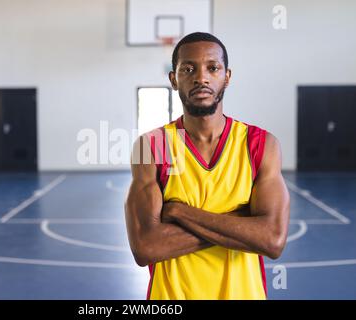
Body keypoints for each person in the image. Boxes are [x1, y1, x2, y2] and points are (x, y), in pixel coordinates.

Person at [124, 32, 290, 300]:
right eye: (188, 69)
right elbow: (146, 248)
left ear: (227, 76)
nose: (201, 77)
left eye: (212, 68)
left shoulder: (260, 144)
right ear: (173, 79)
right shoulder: (151, 146)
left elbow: (272, 240)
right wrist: (244, 224)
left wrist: (179, 212)